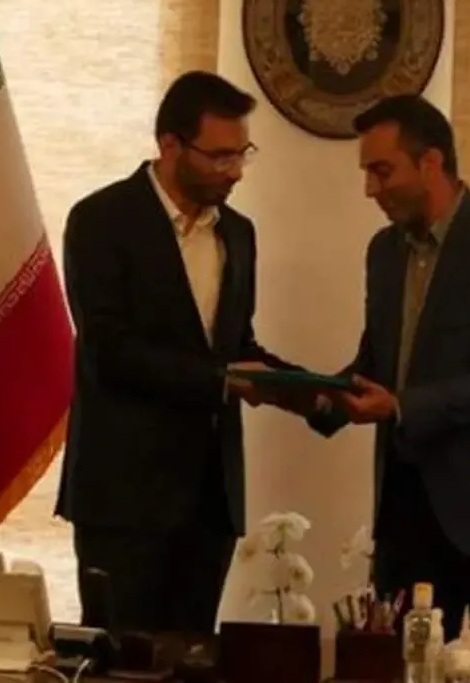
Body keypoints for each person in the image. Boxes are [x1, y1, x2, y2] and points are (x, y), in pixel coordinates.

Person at [300, 94, 470, 643]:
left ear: (431, 163)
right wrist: (316, 396)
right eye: (367, 172)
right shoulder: (383, 251)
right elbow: (379, 361)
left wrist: (399, 406)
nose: (370, 188)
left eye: (381, 170)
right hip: (407, 515)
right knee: (402, 664)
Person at [55, 71, 291, 635]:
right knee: (121, 660)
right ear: (170, 145)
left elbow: (236, 346)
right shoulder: (100, 220)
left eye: (242, 154)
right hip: (123, 498)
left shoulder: (238, 233)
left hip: (210, 502)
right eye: (219, 156)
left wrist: (314, 393)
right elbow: (109, 351)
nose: (234, 171)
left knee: (194, 660)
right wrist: (222, 380)